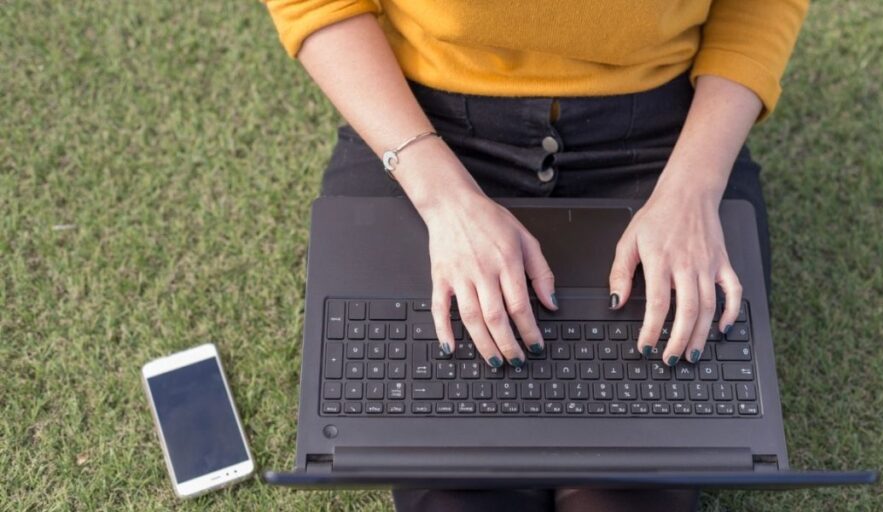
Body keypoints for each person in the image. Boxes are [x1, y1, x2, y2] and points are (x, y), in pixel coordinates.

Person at [264, 1, 807, 510]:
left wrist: (692, 188)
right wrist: (443, 197)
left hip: (670, 131)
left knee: (636, 481)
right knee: (458, 484)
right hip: (422, 124)